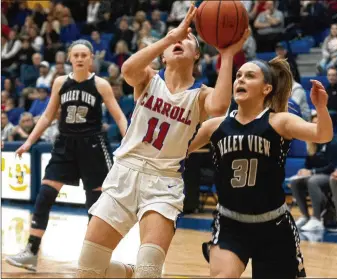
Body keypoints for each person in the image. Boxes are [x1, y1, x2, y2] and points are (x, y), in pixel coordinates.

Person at [76, 5, 250, 279]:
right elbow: (128, 69)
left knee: (149, 271)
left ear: (196, 54)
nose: (180, 42)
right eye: (174, 41)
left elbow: (219, 107)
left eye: (188, 40)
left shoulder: (200, 95)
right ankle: (127, 273)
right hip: (124, 172)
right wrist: (170, 36)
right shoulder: (148, 79)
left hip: (163, 181)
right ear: (164, 55)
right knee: (87, 271)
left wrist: (227, 54)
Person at [188, 57, 333, 278]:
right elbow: (175, 150)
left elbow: (323, 135)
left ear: (267, 88)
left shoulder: (280, 122)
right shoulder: (214, 126)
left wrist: (321, 108)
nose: (240, 80)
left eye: (249, 76)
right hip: (230, 224)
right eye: (238, 76)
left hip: (273, 227)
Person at [5, 39, 128, 272]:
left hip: (92, 146)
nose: (80, 58)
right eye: (76, 55)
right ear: (70, 58)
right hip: (64, 145)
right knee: (44, 196)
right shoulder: (60, 82)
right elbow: (47, 116)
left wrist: (129, 142)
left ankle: (95, 257)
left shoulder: (101, 84)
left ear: (91, 59)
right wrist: (29, 142)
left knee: (95, 204)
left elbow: (120, 116)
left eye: (84, 55)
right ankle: (31, 251)